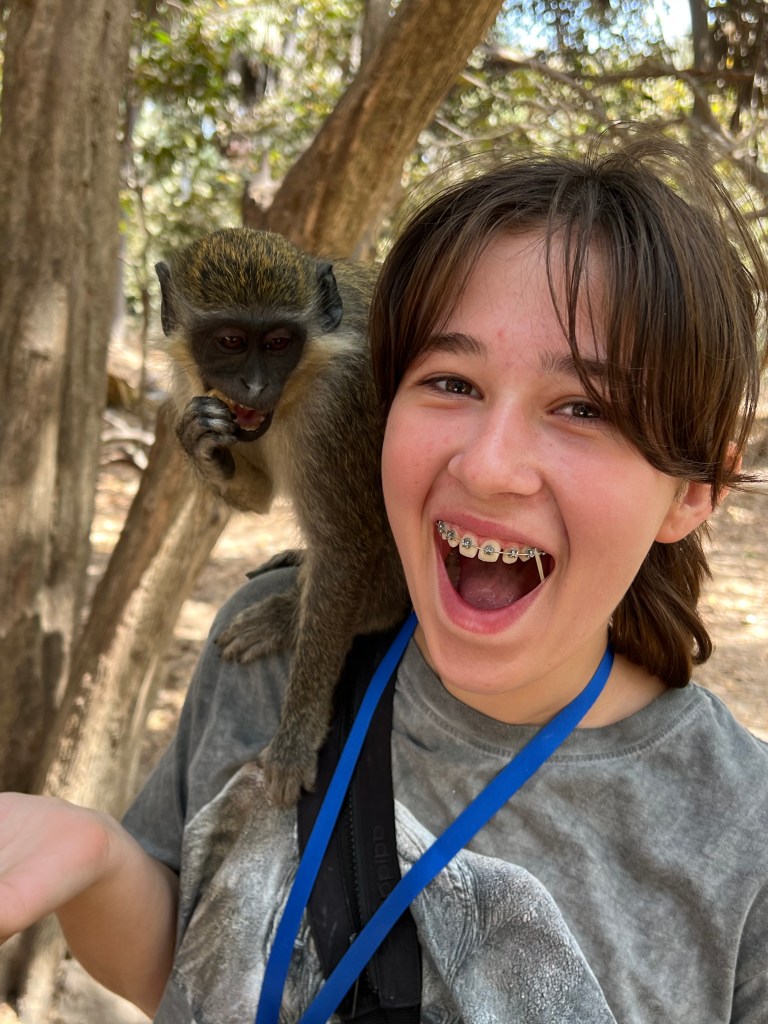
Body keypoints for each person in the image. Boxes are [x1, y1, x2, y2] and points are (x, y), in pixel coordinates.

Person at [1, 128, 767, 1023]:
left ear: (695, 489)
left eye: (583, 407)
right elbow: (192, 961)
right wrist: (95, 857)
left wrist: (300, 731)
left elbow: (342, 553)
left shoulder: (738, 840)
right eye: (452, 383)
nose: (489, 468)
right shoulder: (254, 657)